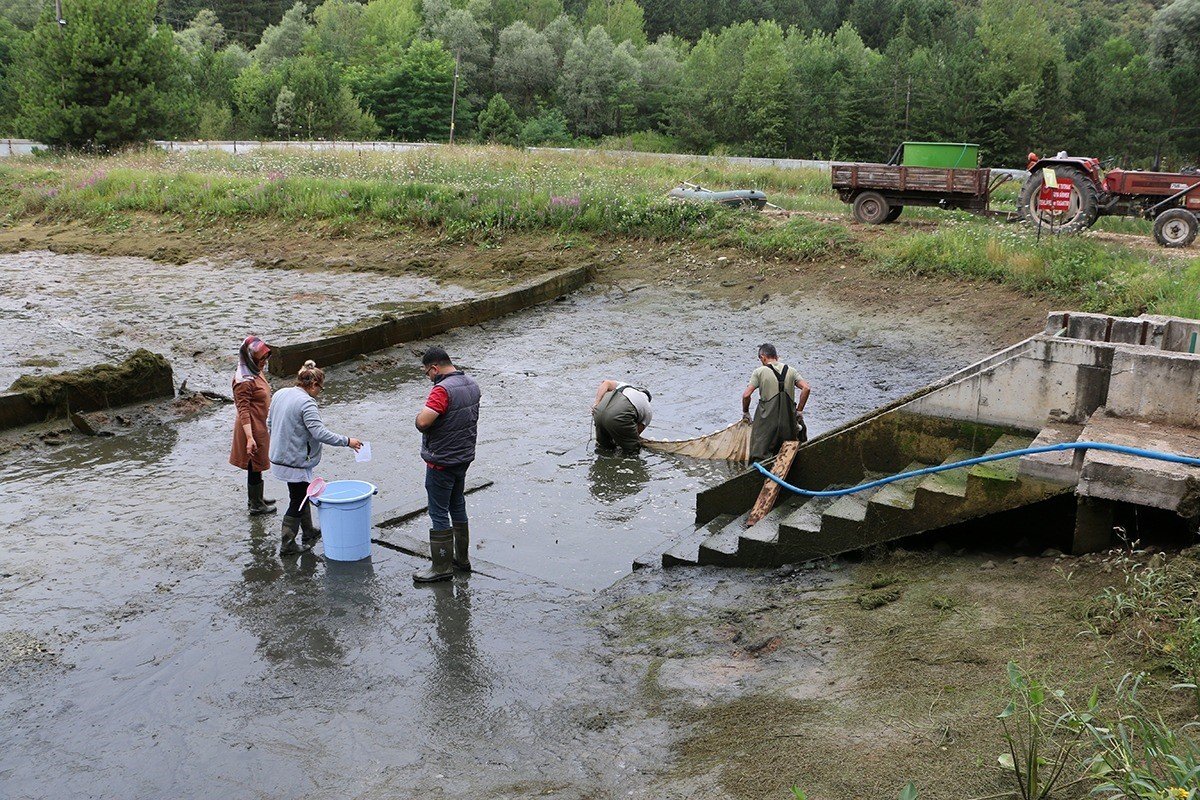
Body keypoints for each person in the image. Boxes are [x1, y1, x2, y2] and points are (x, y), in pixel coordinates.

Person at [267, 360, 363, 556]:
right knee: (298, 498)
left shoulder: (280, 393)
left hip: (278, 456)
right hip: (294, 461)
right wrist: (347, 441)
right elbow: (319, 433)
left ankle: (309, 531)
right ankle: (288, 543)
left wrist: (281, 443)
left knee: (303, 493)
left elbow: (269, 422)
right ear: (313, 385)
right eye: (321, 388)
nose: (320, 392)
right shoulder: (307, 403)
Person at [413, 346, 481, 583]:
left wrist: (417, 418)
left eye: (427, 373)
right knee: (457, 504)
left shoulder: (441, 390)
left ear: (434, 368)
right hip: (463, 457)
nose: (429, 378)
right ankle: (462, 559)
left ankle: (441, 566)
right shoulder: (472, 384)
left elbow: (423, 421)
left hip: (441, 461)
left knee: (438, 511)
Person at [228, 335, 276, 516]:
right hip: (251, 426)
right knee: (253, 462)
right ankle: (255, 504)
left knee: (257, 463)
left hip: (259, 423)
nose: (264, 362)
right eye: (261, 359)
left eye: (265, 358)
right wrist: (249, 437)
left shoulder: (254, 370)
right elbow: (243, 410)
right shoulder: (243, 380)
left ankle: (257, 498)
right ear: (250, 357)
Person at [742, 343, 810, 463]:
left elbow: (746, 395)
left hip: (766, 424)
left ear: (763, 357)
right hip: (788, 422)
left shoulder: (759, 372)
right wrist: (799, 411)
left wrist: (746, 411)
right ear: (776, 357)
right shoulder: (791, 370)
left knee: (759, 456)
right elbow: (806, 388)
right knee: (787, 454)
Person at [591, 380, 653, 455]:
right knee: (632, 450)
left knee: (603, 447)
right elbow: (635, 434)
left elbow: (605, 383)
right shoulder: (648, 410)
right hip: (619, 416)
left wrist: (596, 403)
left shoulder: (624, 386)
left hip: (598, 412)